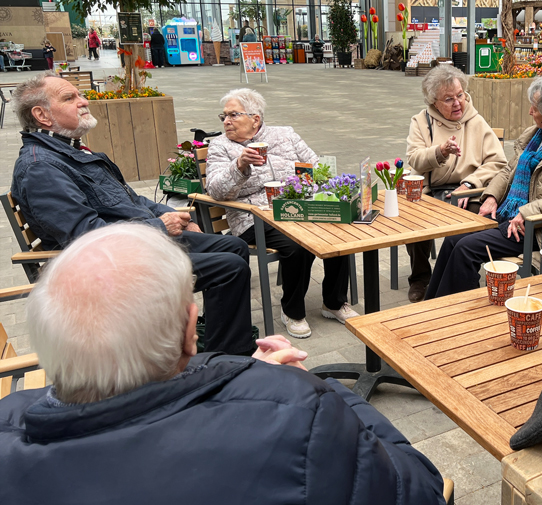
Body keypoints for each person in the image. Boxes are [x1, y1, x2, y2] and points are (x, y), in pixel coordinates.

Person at [0, 224, 447, 505]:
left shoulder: (10, 423)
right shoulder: (297, 417)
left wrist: (233, 375)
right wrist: (325, 394)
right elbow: (420, 488)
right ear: (190, 329)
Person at [10, 72, 255, 356]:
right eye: (70, 98)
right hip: (110, 266)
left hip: (136, 241)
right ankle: (229, 361)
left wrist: (171, 215)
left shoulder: (68, 151)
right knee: (229, 268)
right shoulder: (41, 168)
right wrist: (161, 227)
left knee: (234, 246)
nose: (84, 101)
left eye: (79, 95)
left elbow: (130, 199)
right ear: (42, 114)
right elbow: (86, 237)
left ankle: (217, 341)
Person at [424, 76, 542, 299]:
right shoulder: (535, 136)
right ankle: (433, 305)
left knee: (466, 248)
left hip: (539, 229)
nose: (529, 112)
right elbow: (508, 171)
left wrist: (527, 212)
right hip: (511, 216)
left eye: (534, 108)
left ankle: (460, 315)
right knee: (453, 240)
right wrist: (492, 197)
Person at [206, 88, 359, 338]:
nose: (226, 121)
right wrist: (240, 165)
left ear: (255, 118)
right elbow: (215, 190)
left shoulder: (284, 134)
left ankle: (333, 302)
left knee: (337, 230)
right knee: (297, 246)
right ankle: (292, 311)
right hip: (253, 217)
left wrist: (306, 181)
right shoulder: (220, 146)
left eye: (233, 115)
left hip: (297, 208)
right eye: (223, 116)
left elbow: (316, 165)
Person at [405, 64, 506, 302]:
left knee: (472, 224)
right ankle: (420, 278)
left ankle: (459, 278)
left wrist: (471, 184)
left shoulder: (476, 120)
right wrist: (439, 151)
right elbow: (414, 159)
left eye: (460, 95)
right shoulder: (421, 121)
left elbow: (498, 162)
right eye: (448, 99)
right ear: (434, 102)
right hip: (431, 190)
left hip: (469, 192)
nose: (457, 103)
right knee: (413, 220)